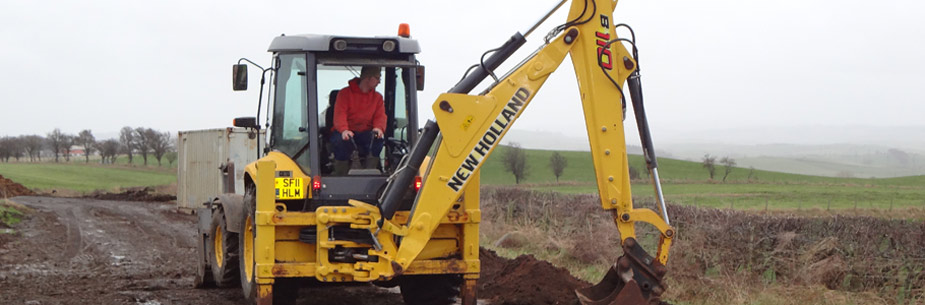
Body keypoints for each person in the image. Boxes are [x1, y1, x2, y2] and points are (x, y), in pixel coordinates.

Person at [330, 66, 386, 175]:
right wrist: (344, 130)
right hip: (347, 131)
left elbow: (380, 116)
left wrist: (378, 128)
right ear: (367, 78)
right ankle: (342, 174)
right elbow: (340, 114)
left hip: (365, 132)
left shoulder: (378, 98)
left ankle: (370, 172)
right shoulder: (344, 94)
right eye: (377, 78)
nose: (379, 82)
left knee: (378, 140)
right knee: (341, 142)